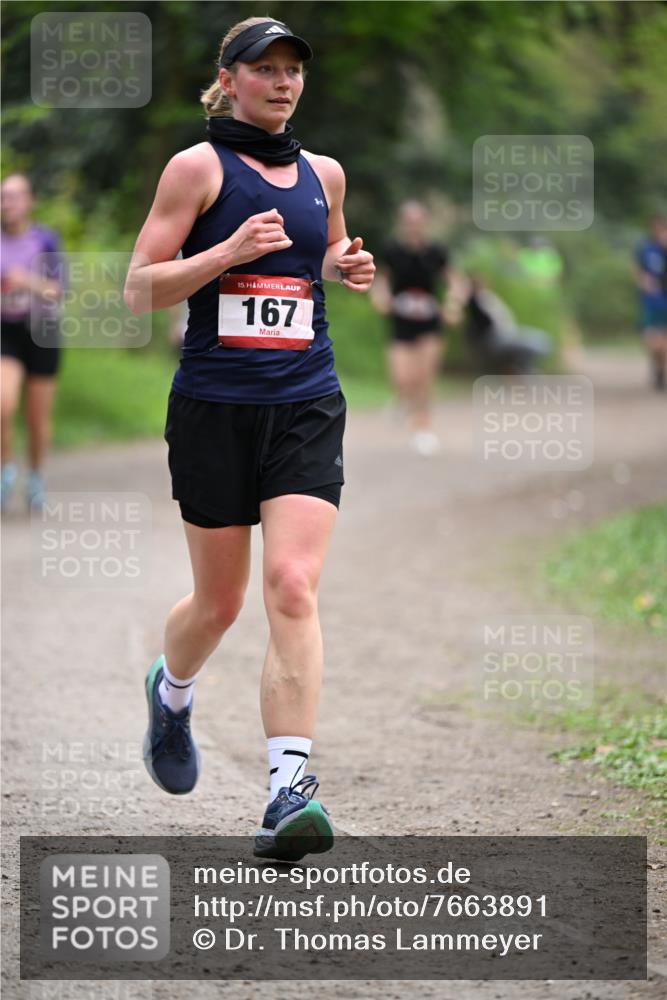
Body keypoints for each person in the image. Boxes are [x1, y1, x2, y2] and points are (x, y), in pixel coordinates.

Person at [124, 16, 375, 862]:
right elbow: (138, 290)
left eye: (292, 70)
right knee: (219, 605)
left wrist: (345, 265)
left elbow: (326, 251)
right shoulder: (195, 169)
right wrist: (225, 250)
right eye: (263, 69)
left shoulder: (323, 172)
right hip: (213, 408)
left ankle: (288, 793)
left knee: (294, 585)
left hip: (305, 400)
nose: (282, 82)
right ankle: (173, 690)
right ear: (227, 79)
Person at [1, 173, 63, 512]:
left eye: (13, 196)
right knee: (3, 403)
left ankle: (36, 477)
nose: (7, 203)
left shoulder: (44, 240)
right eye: (3, 197)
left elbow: (58, 289)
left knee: (37, 418)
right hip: (6, 331)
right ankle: (5, 471)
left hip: (42, 330)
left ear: (29, 202)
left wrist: (26, 281)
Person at [370, 201, 448, 456]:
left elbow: (456, 281)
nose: (414, 226)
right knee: (402, 378)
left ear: (426, 223)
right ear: (403, 223)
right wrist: (380, 297)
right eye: (409, 222)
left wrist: (454, 304)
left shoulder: (436, 252)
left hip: (429, 322)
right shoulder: (393, 251)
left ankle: (422, 429)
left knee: (424, 378)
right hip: (401, 323)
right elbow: (381, 280)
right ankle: (403, 401)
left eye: (418, 221)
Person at [461, 274, 551, 375]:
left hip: (503, 336)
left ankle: (520, 370)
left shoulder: (484, 299)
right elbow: (490, 325)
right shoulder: (478, 301)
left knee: (539, 341)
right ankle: (523, 372)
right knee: (540, 342)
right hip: (497, 339)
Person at [635, 214, 667, 391]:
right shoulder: (645, 249)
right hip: (652, 300)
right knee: (652, 340)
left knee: (664, 341)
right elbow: (637, 269)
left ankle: (661, 373)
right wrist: (643, 282)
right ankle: (657, 366)